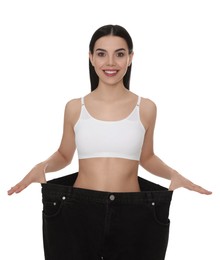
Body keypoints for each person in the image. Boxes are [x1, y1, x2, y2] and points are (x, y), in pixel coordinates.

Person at [8, 24, 212, 260]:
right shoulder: (75, 108)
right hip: (79, 210)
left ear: (130, 58)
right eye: (102, 53)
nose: (111, 62)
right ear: (91, 58)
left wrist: (173, 174)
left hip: (133, 212)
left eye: (120, 54)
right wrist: (41, 167)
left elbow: (147, 157)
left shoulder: (146, 108)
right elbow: (64, 155)